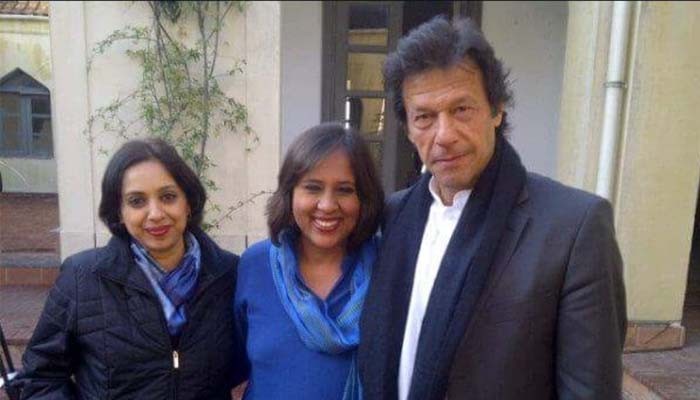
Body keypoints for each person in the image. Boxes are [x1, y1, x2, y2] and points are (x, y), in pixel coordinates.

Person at [358, 16, 627, 400]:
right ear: (408, 128)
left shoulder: (574, 228)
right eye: (425, 117)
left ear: (496, 109)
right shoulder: (394, 215)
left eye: (462, 109)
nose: (444, 135)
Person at [19, 139, 247, 399]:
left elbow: (241, 365)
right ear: (119, 211)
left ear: (188, 203)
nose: (155, 213)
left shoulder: (230, 274)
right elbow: (40, 378)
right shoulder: (81, 277)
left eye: (168, 197)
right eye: (137, 201)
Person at [235, 122, 384, 400]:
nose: (327, 205)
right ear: (290, 193)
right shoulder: (255, 265)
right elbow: (235, 367)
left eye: (344, 190)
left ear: (364, 198)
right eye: (313, 188)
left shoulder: (388, 267)